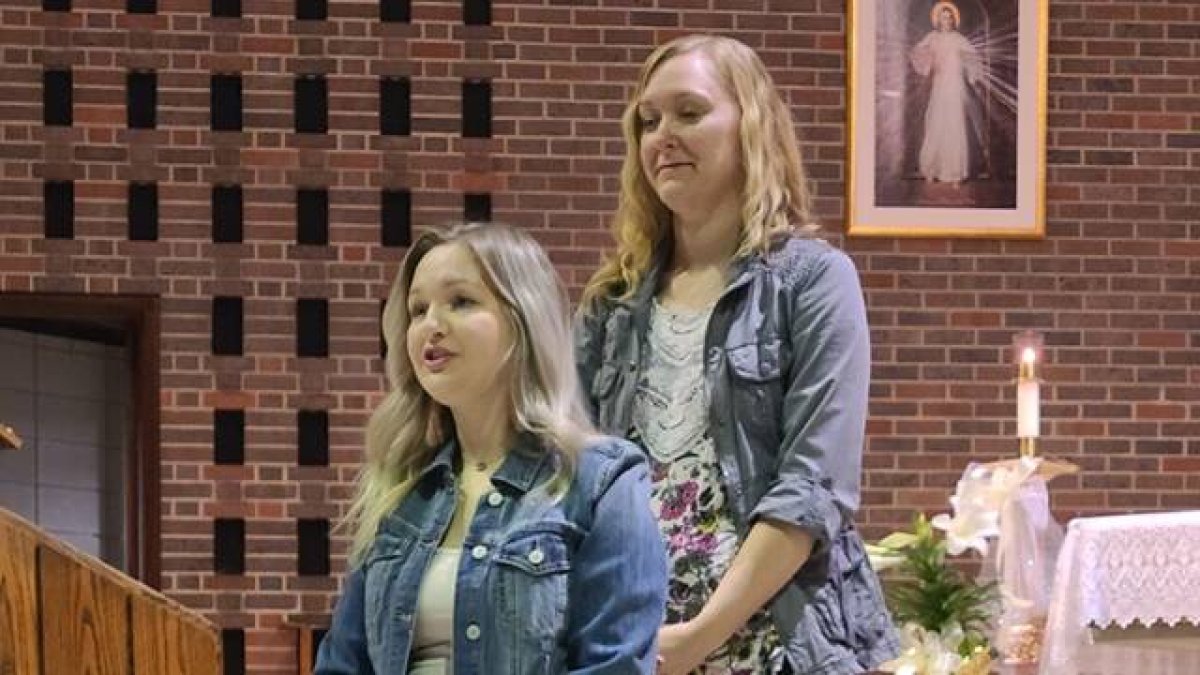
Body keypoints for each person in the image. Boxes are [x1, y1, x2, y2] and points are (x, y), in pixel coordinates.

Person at [575, 35, 899, 674]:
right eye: (648, 120)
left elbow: (812, 488)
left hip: (782, 643)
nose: (663, 136)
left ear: (751, 126)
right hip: (631, 643)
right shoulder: (611, 304)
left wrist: (699, 636)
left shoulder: (811, 281)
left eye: (689, 112)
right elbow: (568, 479)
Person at [316, 222, 668, 674]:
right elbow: (341, 665)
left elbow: (614, 666)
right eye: (418, 309)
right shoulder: (399, 492)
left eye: (461, 301)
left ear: (524, 320)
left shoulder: (601, 482)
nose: (431, 326)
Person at [910, 1, 983, 184]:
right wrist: (932, 62)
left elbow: (973, 57)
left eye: (949, 18)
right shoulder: (933, 38)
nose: (947, 21)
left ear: (953, 20)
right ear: (938, 20)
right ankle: (931, 169)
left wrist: (970, 71)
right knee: (936, 121)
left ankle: (954, 172)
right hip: (940, 84)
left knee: (954, 123)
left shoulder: (958, 39)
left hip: (955, 84)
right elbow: (918, 52)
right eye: (943, 18)